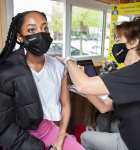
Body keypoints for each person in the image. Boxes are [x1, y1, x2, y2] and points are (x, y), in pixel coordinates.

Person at [57, 17, 140, 150]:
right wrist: (84, 87)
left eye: (119, 39)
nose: (116, 44)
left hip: (136, 144)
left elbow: (84, 84)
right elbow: (104, 106)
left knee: (85, 137)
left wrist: (68, 61)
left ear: (134, 42)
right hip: (132, 134)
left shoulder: (139, 71)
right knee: (102, 122)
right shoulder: (134, 71)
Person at [0, 10, 85, 150]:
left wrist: (60, 138)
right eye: (31, 29)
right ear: (20, 37)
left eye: (45, 28)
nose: (41, 33)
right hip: (22, 136)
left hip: (52, 131)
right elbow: (6, 126)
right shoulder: (7, 71)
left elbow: (65, 105)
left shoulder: (58, 66)